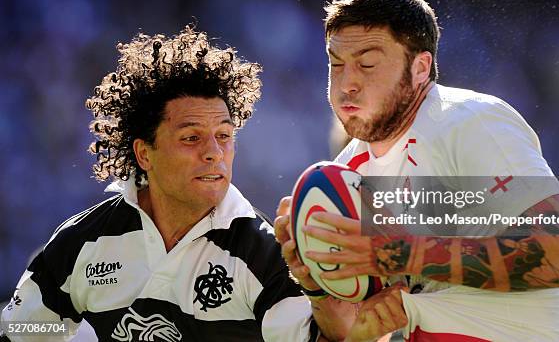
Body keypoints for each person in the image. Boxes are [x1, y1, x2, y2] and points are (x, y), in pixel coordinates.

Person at [275, 0, 559, 341]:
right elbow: (350, 330)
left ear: (420, 67)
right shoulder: (348, 169)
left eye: (368, 64)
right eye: (336, 64)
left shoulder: (470, 121)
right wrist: (316, 284)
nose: (347, 83)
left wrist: (397, 253)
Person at [1, 26, 328, 341]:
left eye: (224, 136)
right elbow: (21, 334)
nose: (214, 153)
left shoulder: (263, 251)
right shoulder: (84, 242)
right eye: (191, 138)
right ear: (144, 154)